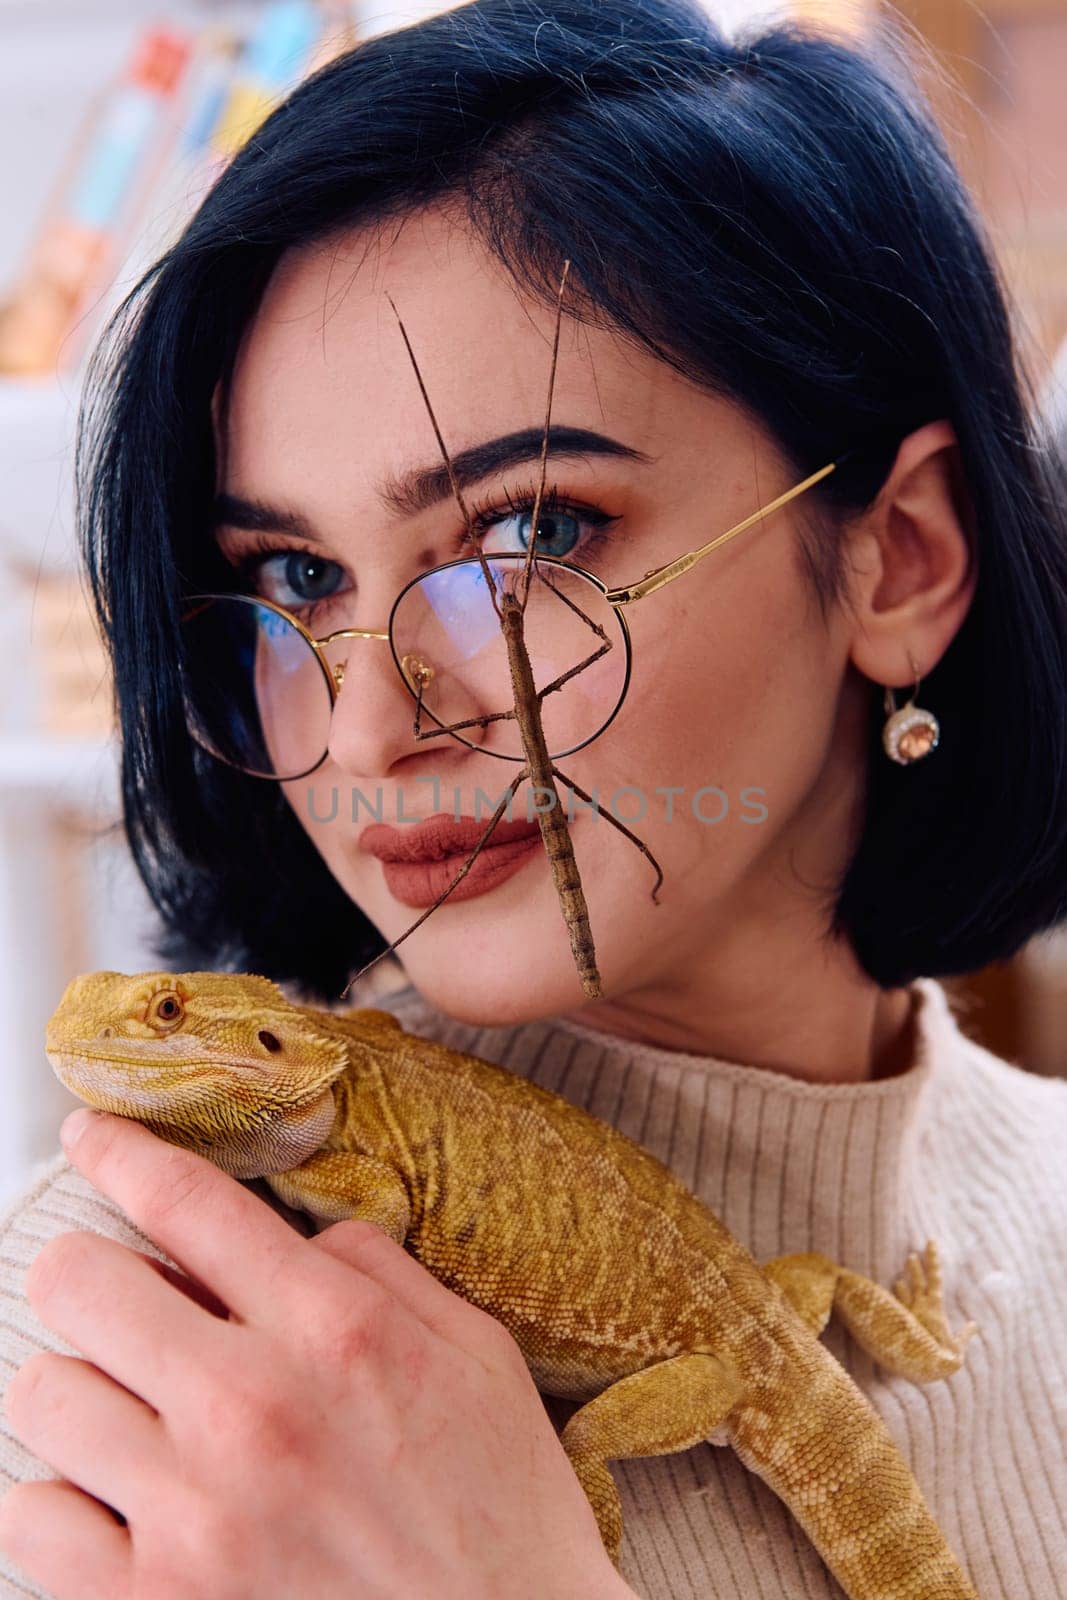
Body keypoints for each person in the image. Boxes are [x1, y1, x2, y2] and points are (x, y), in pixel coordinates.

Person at [2, 0, 1066, 1594]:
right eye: (291, 575)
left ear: (898, 554)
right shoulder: (127, 1337)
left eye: (531, 537)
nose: (367, 731)